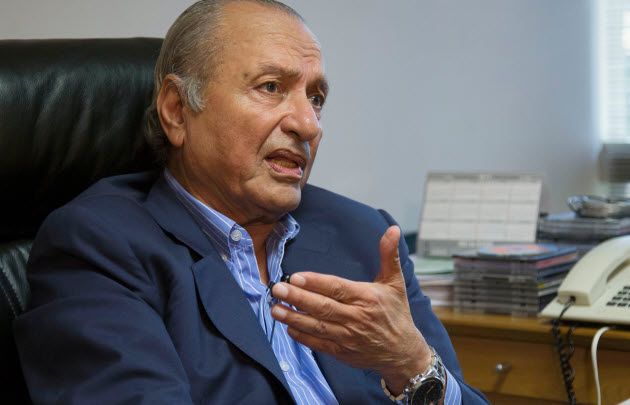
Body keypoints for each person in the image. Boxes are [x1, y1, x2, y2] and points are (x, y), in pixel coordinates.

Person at [14, 1, 488, 404]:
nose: (308, 124)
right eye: (270, 87)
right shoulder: (99, 246)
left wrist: (411, 365)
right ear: (177, 110)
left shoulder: (367, 236)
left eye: (316, 97)